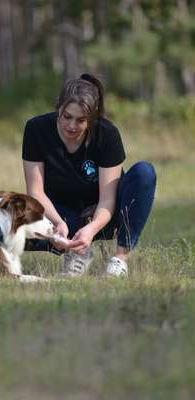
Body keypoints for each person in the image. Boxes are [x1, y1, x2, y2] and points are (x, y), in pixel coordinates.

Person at [22, 73, 156, 277]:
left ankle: (119, 260)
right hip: (61, 217)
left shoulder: (107, 134)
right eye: (67, 116)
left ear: (92, 119)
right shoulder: (36, 129)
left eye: (81, 120)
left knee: (144, 172)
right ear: (59, 108)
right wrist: (58, 223)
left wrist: (92, 228)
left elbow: (107, 200)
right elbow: (36, 192)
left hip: (103, 216)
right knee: (7, 222)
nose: (72, 126)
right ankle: (77, 251)